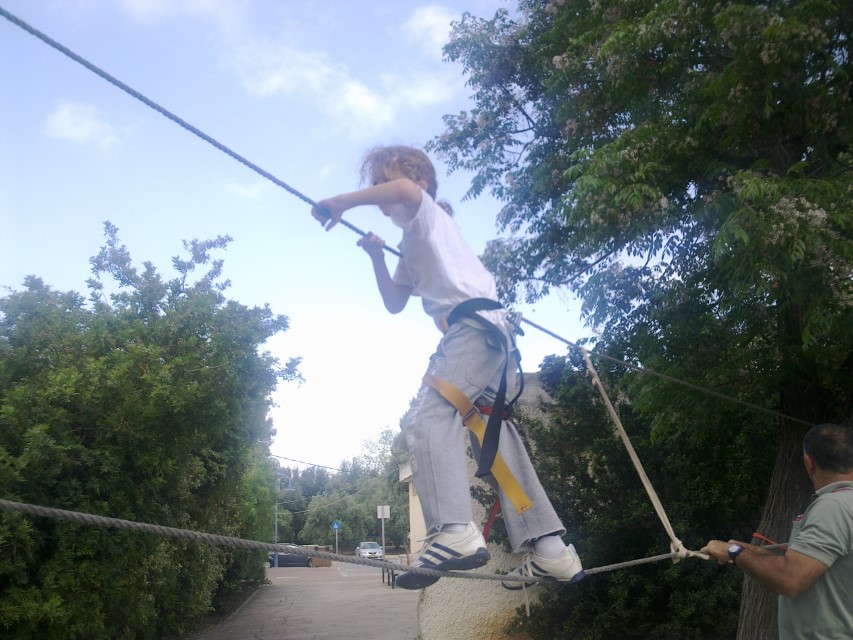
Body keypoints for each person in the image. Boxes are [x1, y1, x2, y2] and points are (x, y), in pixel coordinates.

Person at [311, 145, 585, 590]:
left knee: (427, 417)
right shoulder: (412, 243)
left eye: (383, 180)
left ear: (419, 182)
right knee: (491, 437)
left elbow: (405, 191)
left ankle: (454, 530)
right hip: (494, 339)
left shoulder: (427, 214)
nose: (379, 191)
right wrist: (377, 257)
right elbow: (395, 302)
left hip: (472, 330)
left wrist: (341, 202)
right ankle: (552, 550)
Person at [703, 423, 853, 639]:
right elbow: (809, 562)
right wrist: (747, 550)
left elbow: (790, 577)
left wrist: (733, 551)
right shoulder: (845, 504)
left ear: (808, 462)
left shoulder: (832, 508)